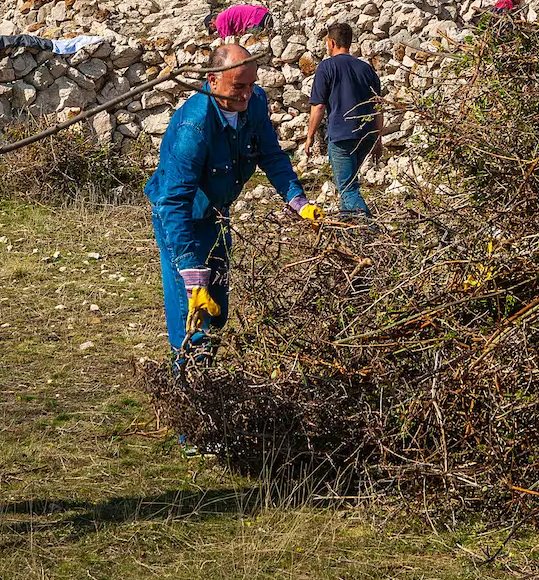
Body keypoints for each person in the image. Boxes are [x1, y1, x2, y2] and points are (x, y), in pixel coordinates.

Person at [146, 43, 321, 371]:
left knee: (219, 310)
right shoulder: (194, 128)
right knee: (193, 316)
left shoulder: (253, 104)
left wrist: (298, 202)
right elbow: (174, 202)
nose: (246, 94)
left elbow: (270, 154)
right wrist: (189, 269)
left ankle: (207, 378)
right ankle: (189, 397)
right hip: (181, 221)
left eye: (252, 84)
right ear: (212, 80)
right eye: (238, 86)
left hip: (216, 214)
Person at [303, 23, 385, 218]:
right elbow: (378, 107)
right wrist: (378, 139)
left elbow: (319, 106)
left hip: (341, 136)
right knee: (348, 184)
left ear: (331, 43)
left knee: (348, 187)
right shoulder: (366, 69)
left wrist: (310, 136)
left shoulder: (327, 67)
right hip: (365, 136)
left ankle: (369, 230)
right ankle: (348, 230)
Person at [204, 3, 273, 39]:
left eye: (212, 29)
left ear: (211, 23)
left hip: (255, 20)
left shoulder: (219, 21)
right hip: (262, 14)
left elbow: (228, 40)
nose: (215, 31)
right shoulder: (225, 14)